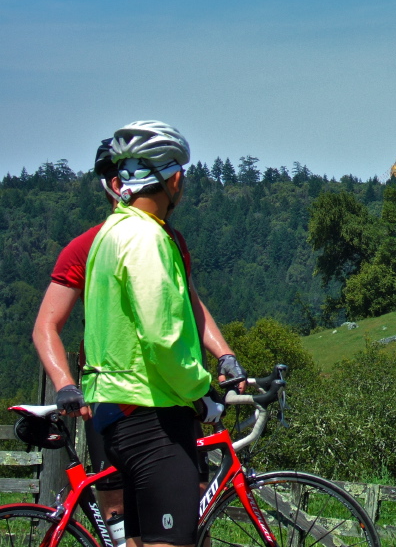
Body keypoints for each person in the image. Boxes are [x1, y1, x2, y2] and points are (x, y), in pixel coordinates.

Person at [32, 139, 247, 528]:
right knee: (118, 511)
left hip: (172, 393)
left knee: (193, 510)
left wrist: (225, 354)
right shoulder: (87, 246)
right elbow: (47, 324)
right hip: (128, 394)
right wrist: (65, 384)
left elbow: (191, 305)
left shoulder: (167, 239)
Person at [81, 121, 241, 547]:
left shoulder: (108, 235)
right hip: (154, 417)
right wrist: (201, 393)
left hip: (115, 413)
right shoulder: (148, 239)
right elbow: (163, 338)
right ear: (173, 180)